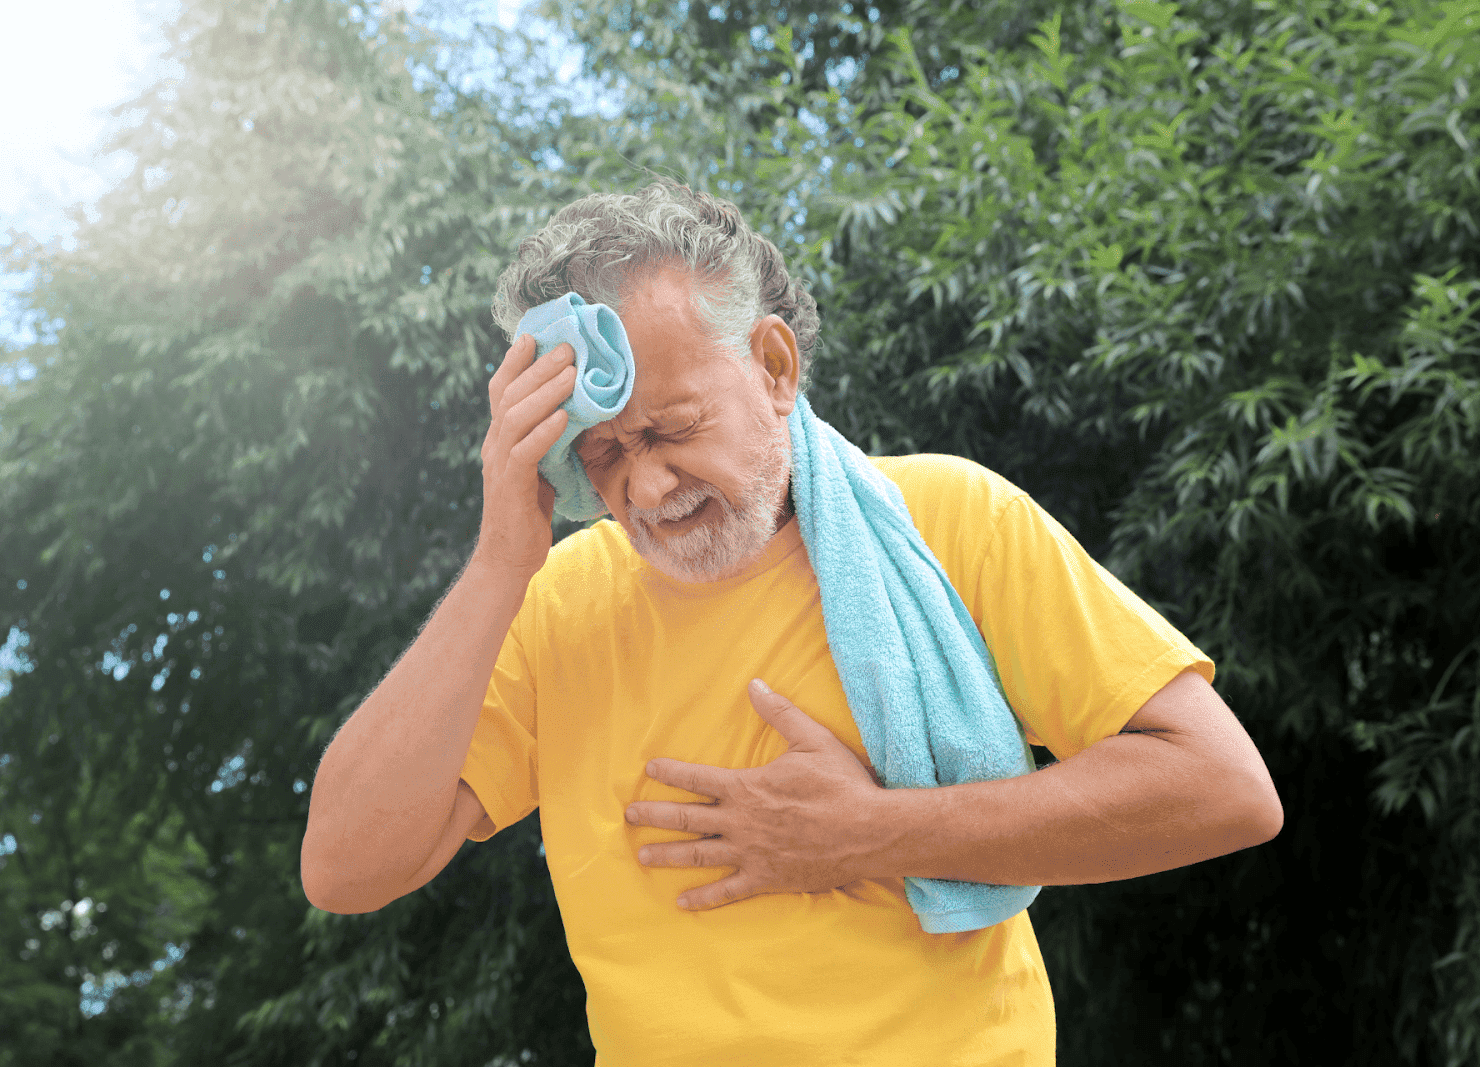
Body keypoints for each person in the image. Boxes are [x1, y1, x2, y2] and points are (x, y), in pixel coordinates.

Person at [301, 180, 1284, 1065]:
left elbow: (1220, 785)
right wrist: (498, 564)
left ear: (772, 365)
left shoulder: (947, 521)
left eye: (670, 428)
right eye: (599, 456)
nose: (643, 483)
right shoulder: (557, 599)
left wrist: (873, 832)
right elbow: (346, 866)